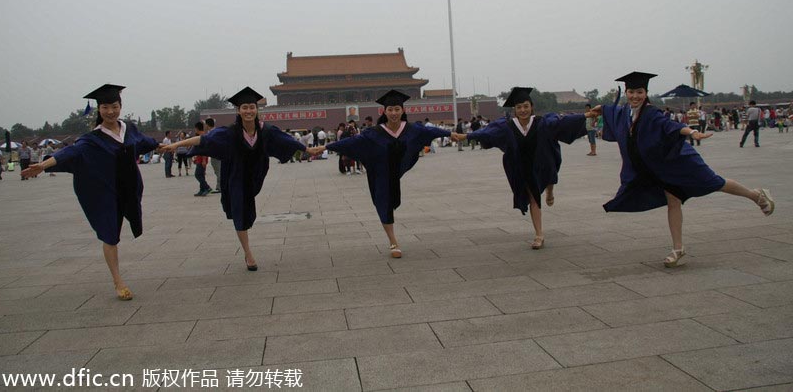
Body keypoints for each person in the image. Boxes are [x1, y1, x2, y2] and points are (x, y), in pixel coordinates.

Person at [590, 72, 774, 267]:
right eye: (631, 92)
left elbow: (672, 126)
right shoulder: (626, 112)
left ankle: (757, 195)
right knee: (673, 201)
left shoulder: (652, 113)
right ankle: (678, 249)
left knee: (715, 183)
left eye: (640, 92)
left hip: (679, 160)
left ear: (646, 93)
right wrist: (600, 109)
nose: (635, 96)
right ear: (626, 92)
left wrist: (692, 132)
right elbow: (611, 111)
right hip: (660, 167)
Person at [21, 84, 158, 300]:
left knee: (126, 224)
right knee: (110, 235)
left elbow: (145, 142)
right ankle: (118, 281)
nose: (110, 111)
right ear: (99, 110)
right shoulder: (92, 139)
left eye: (114, 106)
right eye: (105, 107)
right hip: (106, 192)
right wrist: (44, 165)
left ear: (120, 106)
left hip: (130, 190)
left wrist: (166, 146)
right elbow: (71, 152)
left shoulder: (128, 129)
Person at [160, 87, 320, 271]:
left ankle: (246, 241)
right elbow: (203, 140)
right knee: (239, 212)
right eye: (244, 107)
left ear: (257, 110)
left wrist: (307, 150)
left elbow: (286, 140)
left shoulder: (265, 131)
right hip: (235, 176)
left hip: (255, 176)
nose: (249, 111)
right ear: (238, 110)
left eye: (252, 107)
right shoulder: (230, 132)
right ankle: (248, 254)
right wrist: (176, 145)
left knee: (247, 213)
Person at [453, 87, 589, 250]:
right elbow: (488, 133)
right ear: (514, 110)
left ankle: (550, 190)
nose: (523, 110)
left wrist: (587, 115)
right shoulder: (507, 126)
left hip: (543, 162)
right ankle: (539, 235)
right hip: (523, 168)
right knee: (533, 198)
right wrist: (467, 136)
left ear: (531, 106)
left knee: (550, 177)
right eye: (519, 107)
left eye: (526, 106)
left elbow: (563, 122)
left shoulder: (541, 122)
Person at [327, 90, 451, 258]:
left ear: (403, 110)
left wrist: (451, 134)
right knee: (383, 202)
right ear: (384, 111)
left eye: (397, 109)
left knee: (389, 200)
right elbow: (353, 142)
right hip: (381, 172)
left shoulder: (412, 129)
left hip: (398, 168)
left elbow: (432, 132)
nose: (393, 113)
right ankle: (393, 241)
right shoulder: (375, 132)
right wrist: (326, 147)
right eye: (390, 109)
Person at [192, 122, 212, 197]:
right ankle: (202, 189)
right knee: (201, 174)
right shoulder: (200, 136)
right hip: (199, 157)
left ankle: (207, 187)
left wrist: (204, 160)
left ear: (197, 128)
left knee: (197, 174)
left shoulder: (203, 136)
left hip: (202, 158)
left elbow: (204, 149)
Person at [204, 118, 221, 193]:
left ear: (207, 125)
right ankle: (219, 186)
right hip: (216, 154)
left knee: (218, 171)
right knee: (218, 171)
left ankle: (220, 187)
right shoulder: (214, 131)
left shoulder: (212, 133)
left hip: (216, 155)